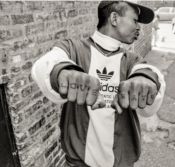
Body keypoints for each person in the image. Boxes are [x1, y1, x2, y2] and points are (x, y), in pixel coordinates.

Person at [31, 0, 166, 166]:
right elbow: (44, 65)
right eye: (135, 20)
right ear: (114, 18)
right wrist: (61, 72)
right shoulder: (73, 49)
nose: (139, 28)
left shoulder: (132, 60)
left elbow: (151, 81)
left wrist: (146, 80)